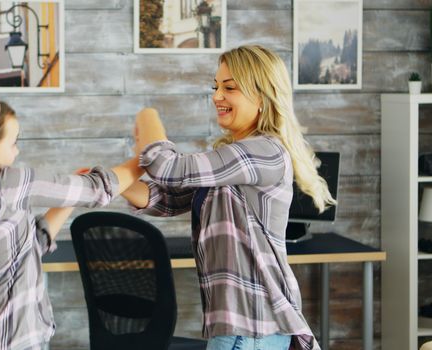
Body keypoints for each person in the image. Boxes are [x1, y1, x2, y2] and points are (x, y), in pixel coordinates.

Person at [122, 45, 336, 350]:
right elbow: (167, 198)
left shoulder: (264, 151)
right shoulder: (233, 158)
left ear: (262, 97)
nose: (216, 96)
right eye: (216, 86)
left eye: (230, 88)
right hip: (246, 327)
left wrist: (148, 116)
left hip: (250, 326)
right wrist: (110, 181)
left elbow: (168, 168)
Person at [0, 93, 143, 350]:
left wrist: (68, 201)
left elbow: (26, 249)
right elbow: (98, 189)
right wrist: (145, 158)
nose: (17, 151)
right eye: (13, 143)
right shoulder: (7, 186)